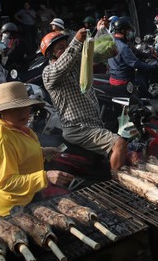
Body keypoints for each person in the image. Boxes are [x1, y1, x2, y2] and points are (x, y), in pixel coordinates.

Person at [0, 82, 73, 217]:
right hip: (15, 210)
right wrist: (45, 176)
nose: (23, 112)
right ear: (1, 112)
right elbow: (6, 182)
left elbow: (20, 155)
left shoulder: (19, 128)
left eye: (25, 107)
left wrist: (42, 152)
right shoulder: (1, 140)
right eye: (14, 109)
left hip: (31, 196)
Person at [42, 29, 128, 170]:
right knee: (119, 143)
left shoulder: (76, 65)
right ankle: (119, 182)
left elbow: (93, 54)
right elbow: (61, 65)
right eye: (60, 48)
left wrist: (101, 32)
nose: (65, 50)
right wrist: (75, 42)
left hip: (93, 124)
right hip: (78, 128)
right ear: (50, 54)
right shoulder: (49, 73)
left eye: (66, 45)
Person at [108, 17, 158, 94]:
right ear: (123, 31)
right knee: (145, 93)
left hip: (114, 77)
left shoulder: (111, 42)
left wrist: (149, 55)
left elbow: (136, 53)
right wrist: (154, 67)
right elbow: (136, 64)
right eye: (129, 31)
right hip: (124, 80)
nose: (130, 33)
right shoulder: (123, 47)